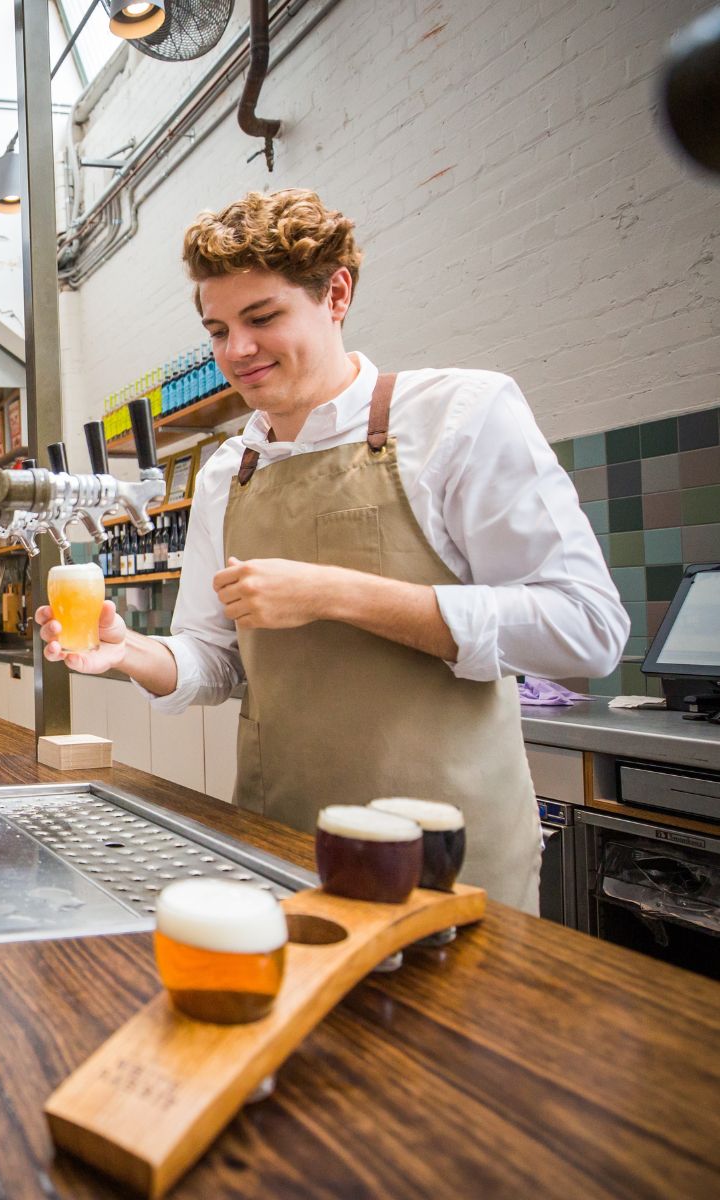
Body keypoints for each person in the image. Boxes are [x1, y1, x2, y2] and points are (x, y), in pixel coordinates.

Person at [37, 189, 626, 911]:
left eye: (262, 318)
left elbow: (587, 630)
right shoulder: (229, 471)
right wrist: (126, 651)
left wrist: (333, 594)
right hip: (283, 842)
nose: (237, 352)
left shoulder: (459, 416)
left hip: (447, 858)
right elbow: (213, 659)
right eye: (217, 329)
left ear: (336, 293)